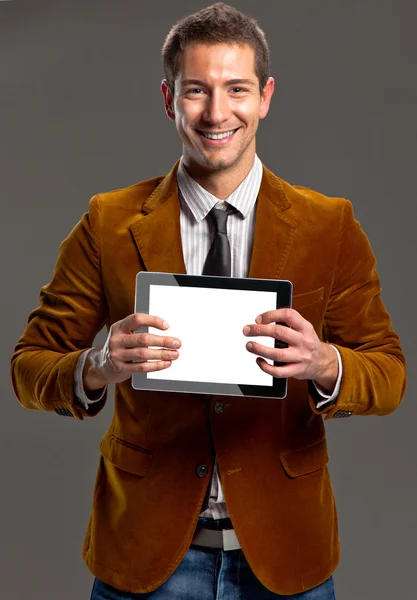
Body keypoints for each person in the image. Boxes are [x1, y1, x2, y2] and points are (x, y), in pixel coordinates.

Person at [10, 3, 407, 599]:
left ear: (265, 96)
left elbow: (390, 374)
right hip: (146, 555)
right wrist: (98, 366)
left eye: (236, 89)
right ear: (170, 99)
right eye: (197, 90)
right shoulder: (109, 222)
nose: (217, 112)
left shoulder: (330, 226)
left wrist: (326, 363)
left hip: (286, 556)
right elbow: (28, 366)